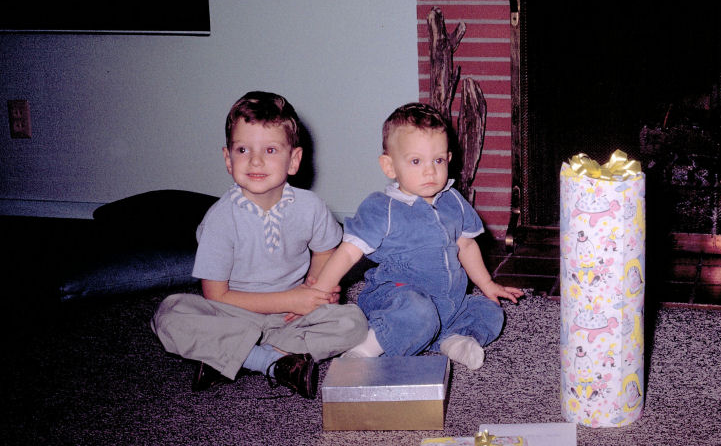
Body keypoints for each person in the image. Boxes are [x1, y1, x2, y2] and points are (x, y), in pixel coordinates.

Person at [151, 91, 368, 398]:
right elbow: (216, 295)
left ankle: (232, 357)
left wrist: (318, 290)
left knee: (353, 322)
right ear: (228, 159)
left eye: (269, 149)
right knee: (169, 314)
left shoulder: (311, 206)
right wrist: (292, 299)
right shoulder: (221, 219)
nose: (255, 160)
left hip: (291, 320)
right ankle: (271, 361)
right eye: (242, 149)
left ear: (293, 160)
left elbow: (324, 251)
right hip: (233, 314)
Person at [308, 102, 523, 370]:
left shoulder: (452, 201)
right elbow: (349, 251)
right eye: (416, 161)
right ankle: (366, 349)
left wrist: (487, 283)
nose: (430, 171)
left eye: (438, 160)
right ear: (389, 166)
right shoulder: (381, 208)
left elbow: (466, 245)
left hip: (448, 301)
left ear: (449, 159)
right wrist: (319, 291)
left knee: (488, 311)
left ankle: (452, 339)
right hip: (397, 299)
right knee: (417, 313)